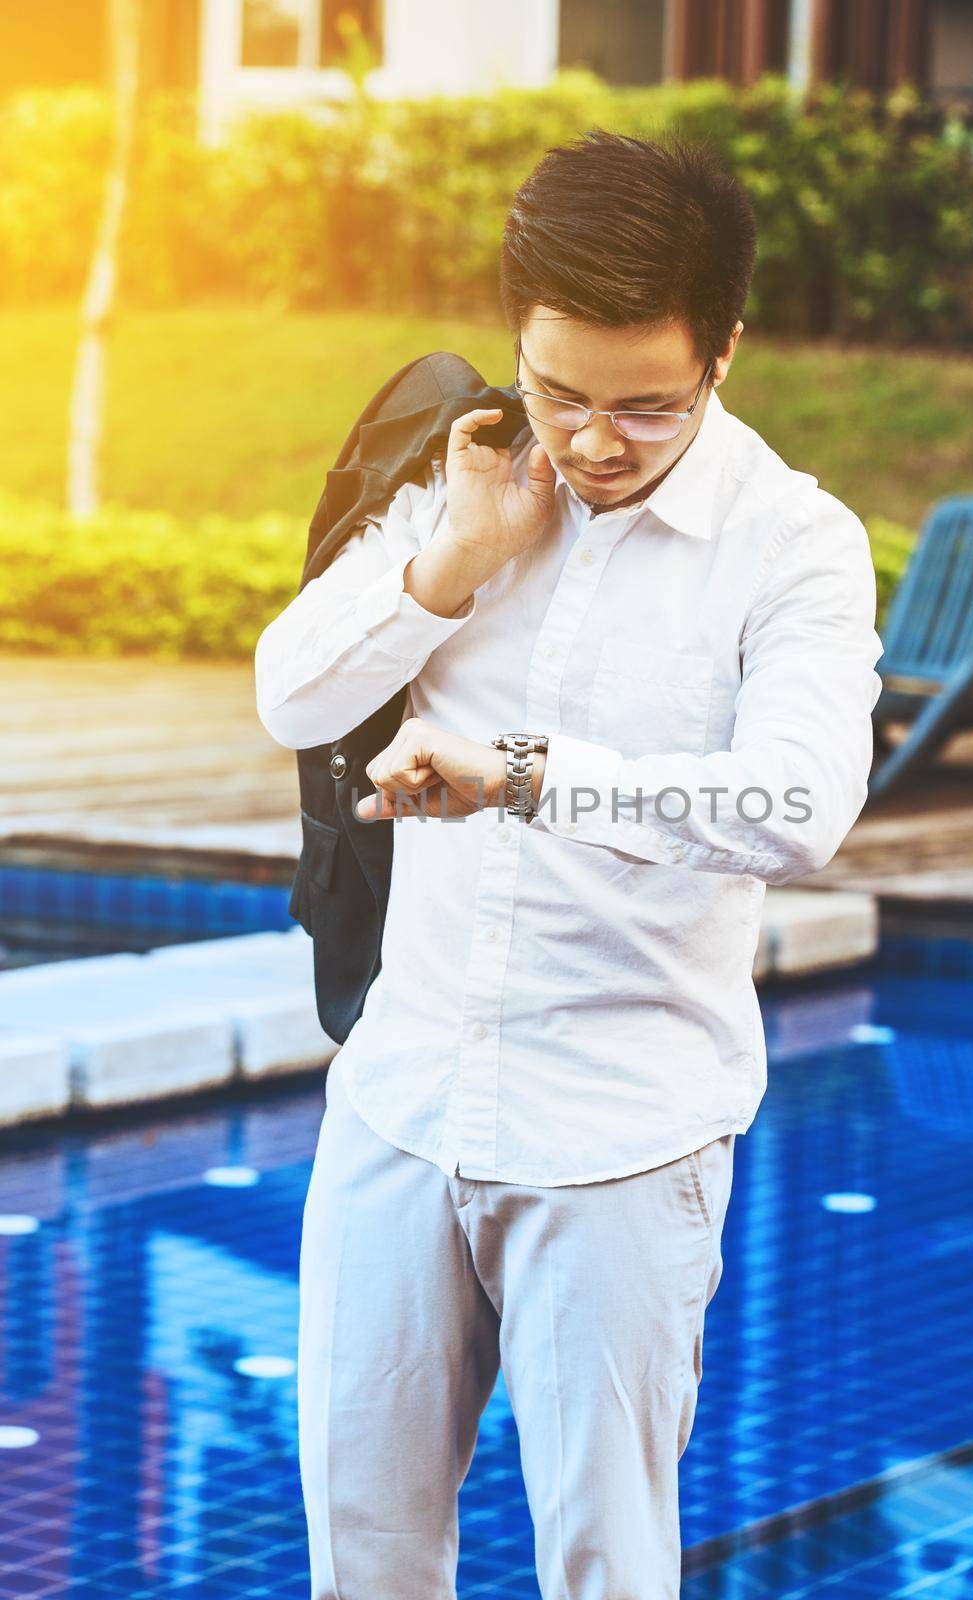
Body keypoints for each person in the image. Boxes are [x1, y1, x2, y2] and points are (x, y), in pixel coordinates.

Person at [254, 127, 884, 1600]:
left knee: (603, 1565)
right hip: (401, 1107)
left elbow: (799, 803)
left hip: (620, 1135)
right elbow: (293, 692)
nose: (594, 441)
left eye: (646, 408)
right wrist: (447, 571)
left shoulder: (793, 547)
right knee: (363, 1553)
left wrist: (529, 778)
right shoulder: (468, 477)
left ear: (723, 350)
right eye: (561, 392)